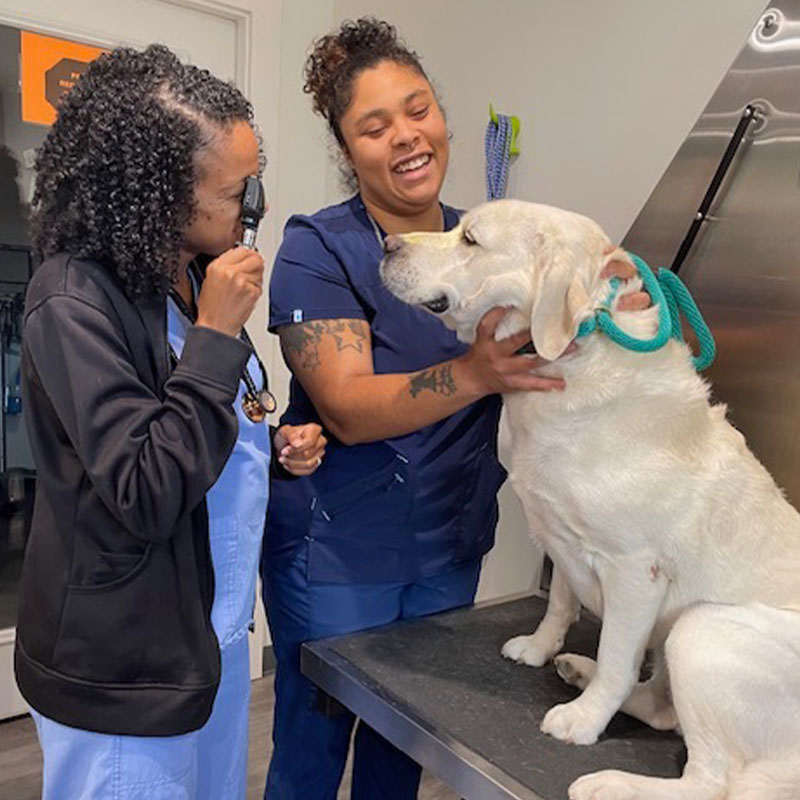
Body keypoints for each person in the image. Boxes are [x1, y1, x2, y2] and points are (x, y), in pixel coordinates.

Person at [262, 17, 647, 800]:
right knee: (313, 742)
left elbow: (568, 334)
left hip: (447, 545)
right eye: (375, 127)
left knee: (401, 747)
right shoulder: (318, 248)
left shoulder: (491, 239)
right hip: (340, 552)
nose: (407, 136)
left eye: (419, 108)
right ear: (347, 151)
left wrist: (609, 293)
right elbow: (348, 409)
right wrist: (476, 373)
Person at [14, 44, 325, 800]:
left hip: (205, 642)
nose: (254, 212)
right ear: (156, 193)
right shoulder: (73, 301)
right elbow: (146, 487)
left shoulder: (185, 276)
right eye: (236, 194)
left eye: (255, 186)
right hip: (128, 669)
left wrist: (267, 449)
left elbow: (198, 416)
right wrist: (218, 337)